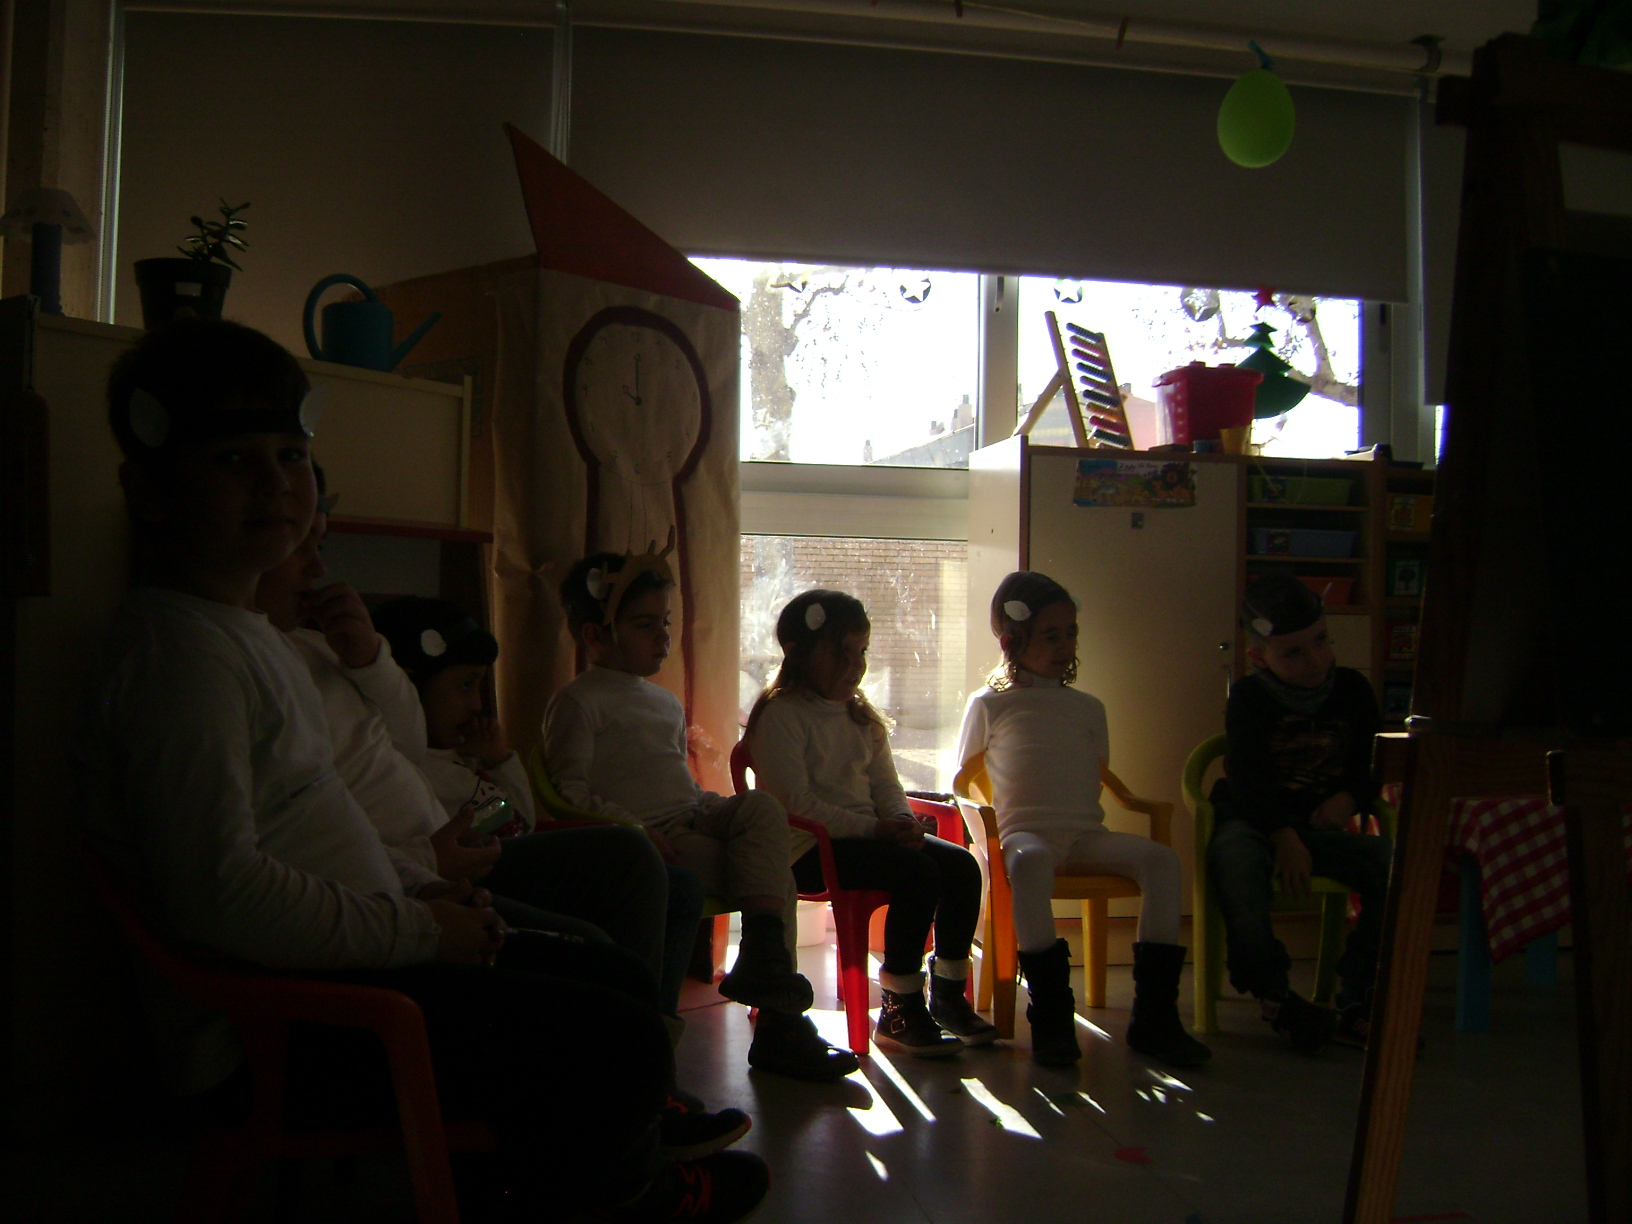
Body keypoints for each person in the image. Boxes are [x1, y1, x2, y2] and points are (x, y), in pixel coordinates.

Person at [75, 318, 767, 1222]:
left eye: (289, 456)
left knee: (616, 983)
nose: (277, 485)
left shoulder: (248, 638)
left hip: (352, 974)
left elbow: (321, 825)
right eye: (233, 460)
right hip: (292, 1034)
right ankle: (629, 1196)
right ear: (149, 492)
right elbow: (221, 897)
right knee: (617, 1039)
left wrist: (419, 894)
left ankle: (598, 1173)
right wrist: (419, 931)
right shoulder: (179, 660)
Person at [544, 543, 859, 1082]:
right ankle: (779, 1020)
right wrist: (632, 829)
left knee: (762, 808)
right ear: (596, 635)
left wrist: (709, 804)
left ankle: (762, 970)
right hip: (655, 836)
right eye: (645, 624)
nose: (663, 636)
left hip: (690, 813)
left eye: (665, 622)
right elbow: (566, 792)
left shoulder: (663, 702)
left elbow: (678, 783)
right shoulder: (579, 702)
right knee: (776, 880)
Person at [364, 592, 708, 1030]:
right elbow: (518, 820)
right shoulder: (419, 771)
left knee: (681, 887)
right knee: (627, 862)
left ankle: (656, 1024)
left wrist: (498, 762)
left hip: (506, 853)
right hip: (477, 872)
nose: (477, 705)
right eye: (465, 686)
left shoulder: (459, 758)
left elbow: (518, 819)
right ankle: (641, 1035)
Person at [956, 571, 1211, 1069]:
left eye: (1070, 633)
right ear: (1012, 641)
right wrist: (986, 831)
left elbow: (1094, 773)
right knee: (1030, 861)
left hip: (1084, 835)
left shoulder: (1087, 707)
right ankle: (1051, 1015)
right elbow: (963, 778)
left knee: (1162, 862)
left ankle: (1155, 1016)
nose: (1065, 646)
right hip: (1022, 835)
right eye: (1050, 635)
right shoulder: (990, 704)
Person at [746, 589, 996, 1057]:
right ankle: (900, 1007)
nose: (854, 665)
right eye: (839, 652)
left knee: (961, 867)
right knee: (916, 873)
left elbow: (886, 785)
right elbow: (796, 804)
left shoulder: (859, 715)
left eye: (860, 651)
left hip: (865, 840)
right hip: (806, 851)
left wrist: (901, 820)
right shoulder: (782, 714)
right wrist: (875, 831)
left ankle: (946, 995)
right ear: (797, 654)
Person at [1208, 573, 1391, 1053]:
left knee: (1392, 866)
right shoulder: (1249, 697)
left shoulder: (1352, 689)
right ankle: (1274, 996)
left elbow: (1373, 763)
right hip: (1253, 822)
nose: (1315, 660)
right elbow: (1246, 778)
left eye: (1321, 641)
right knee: (1237, 866)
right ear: (1259, 658)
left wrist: (1348, 799)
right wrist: (1283, 836)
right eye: (1293, 653)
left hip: (1317, 828)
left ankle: (1360, 996)